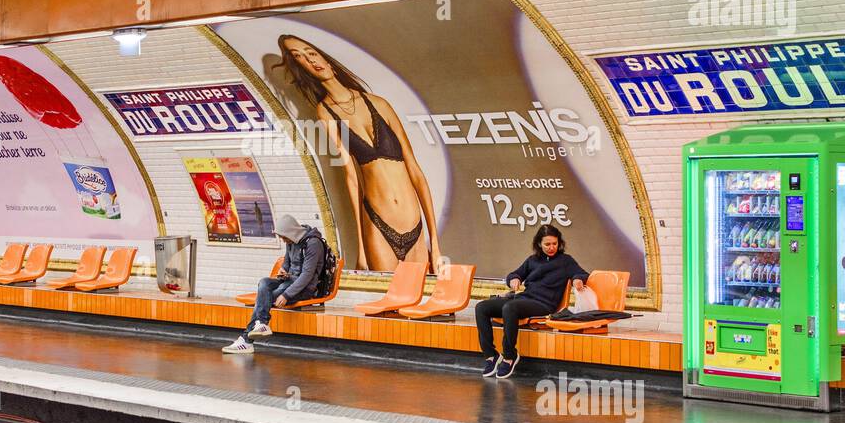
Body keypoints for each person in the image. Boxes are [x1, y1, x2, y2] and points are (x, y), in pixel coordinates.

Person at [277, 34, 440, 273]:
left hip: (413, 222)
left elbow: (415, 171)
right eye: (299, 58)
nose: (310, 61)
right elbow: (351, 177)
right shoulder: (326, 113)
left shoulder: (379, 104)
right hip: (377, 222)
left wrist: (435, 242)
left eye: (310, 53)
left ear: (325, 58)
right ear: (300, 69)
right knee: (386, 302)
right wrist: (361, 248)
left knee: (418, 300)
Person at [474, 225, 589, 379]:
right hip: (524, 300)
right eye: (547, 244)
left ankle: (509, 356)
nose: (551, 247)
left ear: (559, 243)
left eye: (554, 243)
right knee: (481, 307)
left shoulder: (566, 261)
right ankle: (490, 356)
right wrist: (514, 279)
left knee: (510, 307)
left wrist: (577, 279)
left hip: (545, 304)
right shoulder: (532, 260)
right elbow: (515, 274)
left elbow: (582, 273)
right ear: (539, 244)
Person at [223, 214, 326, 354]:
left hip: (305, 288)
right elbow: (287, 263)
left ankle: (247, 339)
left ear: (291, 232)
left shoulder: (313, 244)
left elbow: (307, 276)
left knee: (267, 297)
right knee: (264, 282)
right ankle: (261, 325)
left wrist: (286, 295)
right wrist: (283, 271)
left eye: (284, 237)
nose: (283, 241)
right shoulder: (291, 241)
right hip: (289, 280)